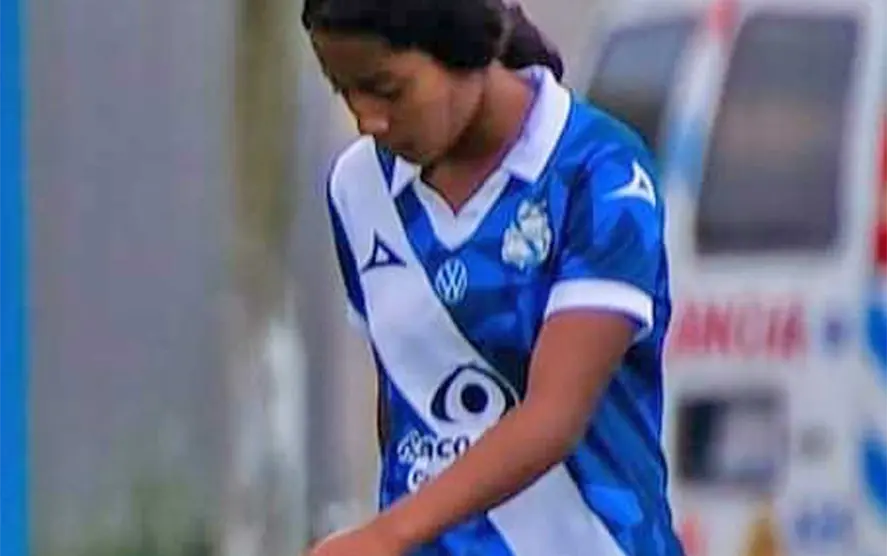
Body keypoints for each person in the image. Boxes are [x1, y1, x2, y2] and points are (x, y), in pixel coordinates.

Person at [303, 0, 684, 554]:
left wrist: (388, 533)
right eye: (345, 91)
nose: (368, 120)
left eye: (387, 90)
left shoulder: (600, 171)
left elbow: (554, 416)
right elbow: (404, 398)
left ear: (464, 46)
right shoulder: (357, 188)